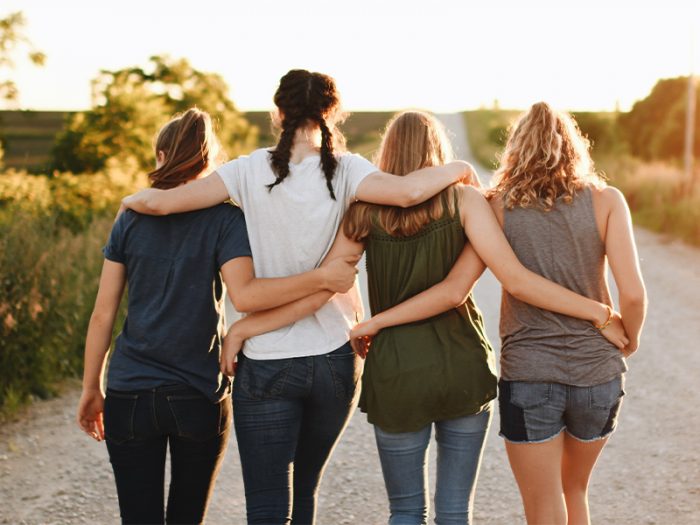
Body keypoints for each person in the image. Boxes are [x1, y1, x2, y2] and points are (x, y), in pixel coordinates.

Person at [121, 70, 477, 525]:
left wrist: (132, 201)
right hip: (334, 356)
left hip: (267, 359)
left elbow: (164, 203)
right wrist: (462, 168)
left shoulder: (248, 170)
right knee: (304, 492)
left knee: (269, 505)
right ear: (333, 113)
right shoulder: (348, 170)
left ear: (278, 111)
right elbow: (409, 192)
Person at [328, 110, 629, 525]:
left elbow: (333, 278)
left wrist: (368, 321)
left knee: (404, 510)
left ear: (387, 152)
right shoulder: (468, 201)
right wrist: (605, 318)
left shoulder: (362, 210)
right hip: (462, 365)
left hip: (396, 367)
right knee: (456, 510)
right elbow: (461, 290)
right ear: (439, 151)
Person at [76, 108, 358, 525]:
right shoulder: (225, 218)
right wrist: (322, 278)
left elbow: (103, 315)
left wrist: (91, 388)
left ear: (160, 155)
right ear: (210, 166)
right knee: (189, 515)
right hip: (197, 390)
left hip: (130, 391)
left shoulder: (131, 217)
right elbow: (249, 294)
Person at [489, 103, 646, 525]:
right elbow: (633, 293)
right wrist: (627, 338)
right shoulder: (606, 200)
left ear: (516, 147)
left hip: (529, 372)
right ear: (574, 146)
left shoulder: (497, 207)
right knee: (574, 489)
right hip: (597, 373)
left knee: (543, 504)